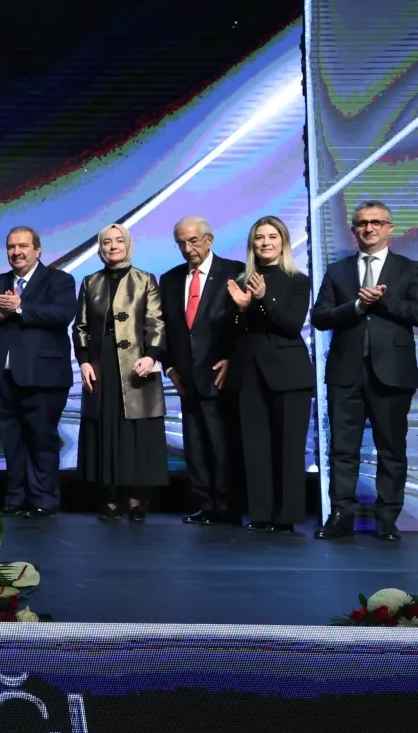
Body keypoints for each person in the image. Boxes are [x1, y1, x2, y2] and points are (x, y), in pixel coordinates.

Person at [310, 201, 418, 542]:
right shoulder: (338, 271)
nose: (369, 228)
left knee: (391, 449)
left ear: (389, 228)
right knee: (342, 449)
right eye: (362, 223)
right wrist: (357, 306)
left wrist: (382, 301)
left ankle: (387, 519)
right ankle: (341, 516)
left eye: (376, 222)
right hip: (345, 373)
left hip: (393, 372)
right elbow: (320, 317)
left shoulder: (409, 269)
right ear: (353, 229)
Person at [0, 226, 76, 518]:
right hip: (2, 377)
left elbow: (62, 315)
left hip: (43, 377)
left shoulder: (59, 280)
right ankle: (16, 498)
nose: (16, 252)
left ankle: (43, 499)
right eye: (11, 247)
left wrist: (20, 308)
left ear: (37, 250)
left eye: (23, 246)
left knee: (42, 440)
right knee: (11, 442)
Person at [74, 224, 168, 521]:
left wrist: (151, 357)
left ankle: (136, 500)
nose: (112, 246)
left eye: (118, 241)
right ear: (100, 248)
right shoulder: (90, 282)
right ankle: (111, 499)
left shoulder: (145, 280)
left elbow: (157, 323)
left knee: (135, 434)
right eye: (106, 242)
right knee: (107, 430)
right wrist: (84, 361)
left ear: (128, 244)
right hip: (101, 367)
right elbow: (80, 327)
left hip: (137, 366)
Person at [226, 215, 313, 534]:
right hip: (249, 372)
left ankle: (286, 517)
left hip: (289, 373)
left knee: (289, 448)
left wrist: (265, 299)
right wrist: (240, 309)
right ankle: (260, 514)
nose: (265, 243)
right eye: (260, 237)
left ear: (283, 242)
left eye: (272, 237)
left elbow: (291, 325)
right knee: (255, 447)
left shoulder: (298, 280)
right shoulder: (241, 280)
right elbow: (233, 331)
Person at [160, 215, 245, 525]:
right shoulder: (170, 279)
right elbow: (164, 328)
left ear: (209, 240)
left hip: (221, 376)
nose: (188, 248)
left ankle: (227, 506)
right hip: (186, 378)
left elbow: (245, 323)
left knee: (223, 444)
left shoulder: (235, 272)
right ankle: (205, 504)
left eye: (193, 241)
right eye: (181, 243)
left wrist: (233, 358)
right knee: (194, 445)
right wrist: (169, 367)